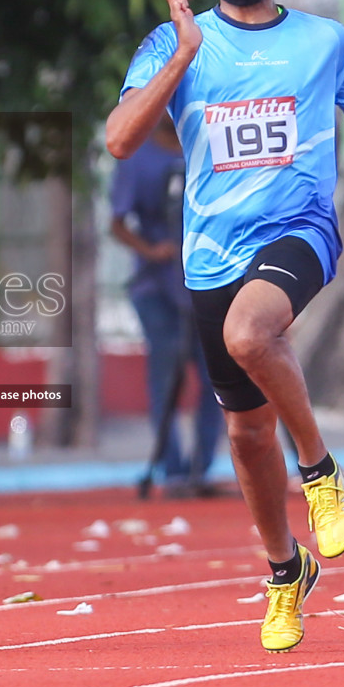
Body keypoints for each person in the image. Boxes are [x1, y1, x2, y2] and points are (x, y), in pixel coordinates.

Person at [106, 0, 344, 652]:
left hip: (301, 230)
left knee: (252, 332)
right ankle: (286, 571)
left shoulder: (324, 42)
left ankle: (320, 471)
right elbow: (119, 140)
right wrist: (181, 55)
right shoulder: (172, 42)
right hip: (211, 251)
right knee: (245, 436)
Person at [110, 113, 224, 497]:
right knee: (166, 376)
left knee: (216, 378)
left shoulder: (207, 151)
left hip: (206, 284)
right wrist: (151, 250)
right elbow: (117, 221)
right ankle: (171, 469)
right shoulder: (136, 157)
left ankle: (200, 468)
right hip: (156, 287)